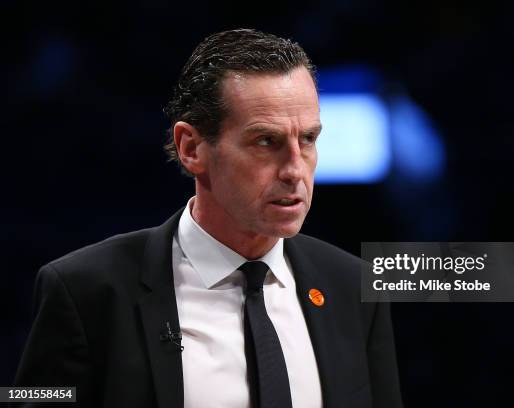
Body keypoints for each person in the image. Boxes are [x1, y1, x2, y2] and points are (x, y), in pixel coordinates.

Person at [15, 29, 403, 408]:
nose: (295, 170)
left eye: (308, 140)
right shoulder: (86, 291)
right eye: (265, 141)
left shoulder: (353, 287)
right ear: (192, 148)